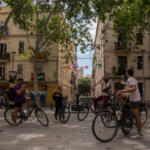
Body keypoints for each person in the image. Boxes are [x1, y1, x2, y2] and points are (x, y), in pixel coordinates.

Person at [115, 68, 143, 139]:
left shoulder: (129, 79)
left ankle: (140, 134)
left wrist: (123, 90)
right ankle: (121, 109)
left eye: (126, 72)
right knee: (121, 95)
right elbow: (128, 84)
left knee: (136, 117)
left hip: (134, 100)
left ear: (127, 73)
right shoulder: (133, 79)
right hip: (135, 97)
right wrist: (122, 83)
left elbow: (134, 88)